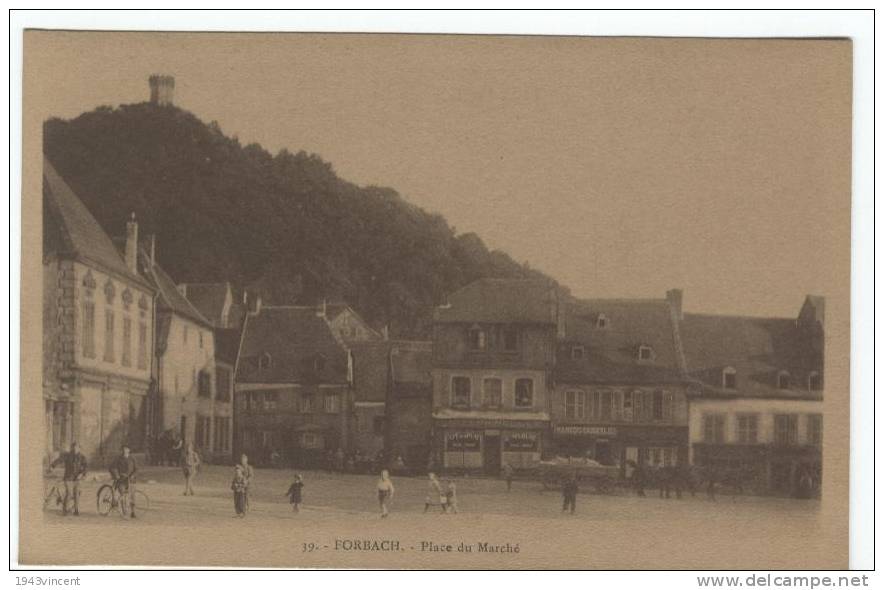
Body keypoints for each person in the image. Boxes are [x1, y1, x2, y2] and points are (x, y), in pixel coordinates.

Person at [49, 441, 88, 516]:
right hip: (68, 477)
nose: (75, 449)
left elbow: (86, 466)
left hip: (77, 478)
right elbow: (59, 460)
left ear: (79, 448)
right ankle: (65, 510)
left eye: (77, 447)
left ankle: (76, 510)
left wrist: (83, 474)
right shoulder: (67, 455)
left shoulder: (82, 457)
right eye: (73, 447)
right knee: (69, 493)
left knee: (76, 493)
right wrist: (52, 466)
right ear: (71, 448)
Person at [109, 444, 138, 518]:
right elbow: (112, 467)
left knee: (132, 496)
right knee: (123, 495)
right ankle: (124, 513)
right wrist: (117, 475)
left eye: (127, 449)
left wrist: (133, 475)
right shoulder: (118, 458)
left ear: (129, 450)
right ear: (122, 450)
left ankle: (133, 512)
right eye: (124, 449)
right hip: (121, 480)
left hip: (131, 480)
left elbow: (136, 469)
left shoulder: (132, 459)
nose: (125, 450)